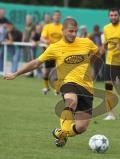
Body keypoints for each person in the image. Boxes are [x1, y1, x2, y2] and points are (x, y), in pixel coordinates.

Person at [4, 18, 99, 147]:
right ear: (63, 30)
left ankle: (61, 133)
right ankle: (64, 130)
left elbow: (96, 51)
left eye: (75, 31)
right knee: (72, 101)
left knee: (82, 127)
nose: (73, 34)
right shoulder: (55, 47)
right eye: (70, 31)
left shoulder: (86, 42)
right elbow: (36, 63)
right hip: (67, 82)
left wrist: (88, 64)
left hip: (87, 87)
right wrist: (16, 73)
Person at [40, 10, 62, 94]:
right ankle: (46, 87)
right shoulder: (47, 26)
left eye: (58, 15)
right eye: (56, 15)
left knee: (58, 71)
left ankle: (57, 89)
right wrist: (44, 41)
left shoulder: (63, 27)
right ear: (53, 17)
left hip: (60, 52)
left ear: (60, 17)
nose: (57, 17)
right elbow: (42, 38)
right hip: (49, 52)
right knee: (46, 72)